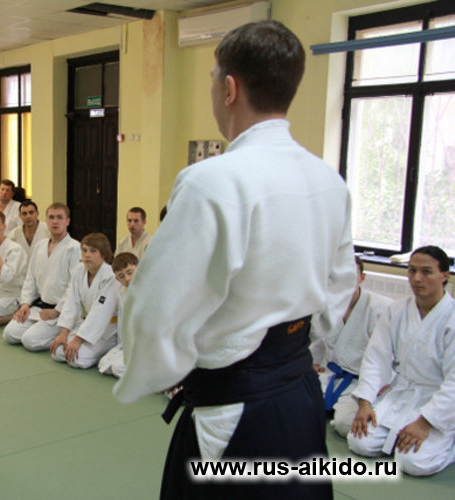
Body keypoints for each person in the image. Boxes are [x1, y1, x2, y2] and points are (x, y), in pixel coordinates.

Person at [113, 21, 356, 499]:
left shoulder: (211, 181)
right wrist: (290, 347)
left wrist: (161, 370)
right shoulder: (329, 180)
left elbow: (153, 307)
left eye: (211, 79)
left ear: (229, 88)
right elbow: (340, 287)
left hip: (231, 408)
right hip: (300, 393)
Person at [349, 245, 455, 477]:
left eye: (426, 272)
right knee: (360, 442)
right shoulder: (397, 310)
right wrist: (366, 402)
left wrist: (425, 422)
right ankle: (400, 434)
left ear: (444, 276)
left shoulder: (451, 318)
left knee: (413, 463)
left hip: (438, 402)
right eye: (412, 270)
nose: (416, 278)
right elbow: (376, 357)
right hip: (402, 392)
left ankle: (449, 441)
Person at [311, 256, 392, 437]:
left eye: (351, 275)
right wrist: (313, 362)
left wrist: (385, 382)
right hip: (332, 374)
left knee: (345, 425)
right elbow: (317, 340)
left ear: (362, 278)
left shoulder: (382, 309)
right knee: (295, 409)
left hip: (362, 381)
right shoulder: (325, 305)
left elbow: (390, 354)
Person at [3, 203, 81, 350]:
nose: (55, 221)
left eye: (60, 217)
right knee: (10, 334)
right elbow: (30, 279)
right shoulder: (40, 246)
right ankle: (41, 329)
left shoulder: (74, 248)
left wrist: (57, 310)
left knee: (30, 341)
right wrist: (25, 304)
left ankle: (67, 330)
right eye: (51, 217)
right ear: (46, 220)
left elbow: (74, 286)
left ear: (67, 221)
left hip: (61, 311)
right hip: (40, 307)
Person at [50, 233, 120, 369]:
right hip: (87, 324)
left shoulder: (110, 276)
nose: (87, 255)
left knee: (76, 359)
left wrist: (77, 339)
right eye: (84, 250)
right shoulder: (79, 271)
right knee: (58, 352)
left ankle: (108, 348)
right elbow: (71, 303)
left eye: (93, 251)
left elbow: (101, 312)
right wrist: (64, 333)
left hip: (107, 330)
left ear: (104, 254)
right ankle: (84, 344)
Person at [98, 252, 138, 378]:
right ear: (117, 279)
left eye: (130, 272)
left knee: (118, 368)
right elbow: (122, 326)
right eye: (121, 276)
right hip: (130, 344)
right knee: (104, 364)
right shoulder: (123, 294)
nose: (127, 279)